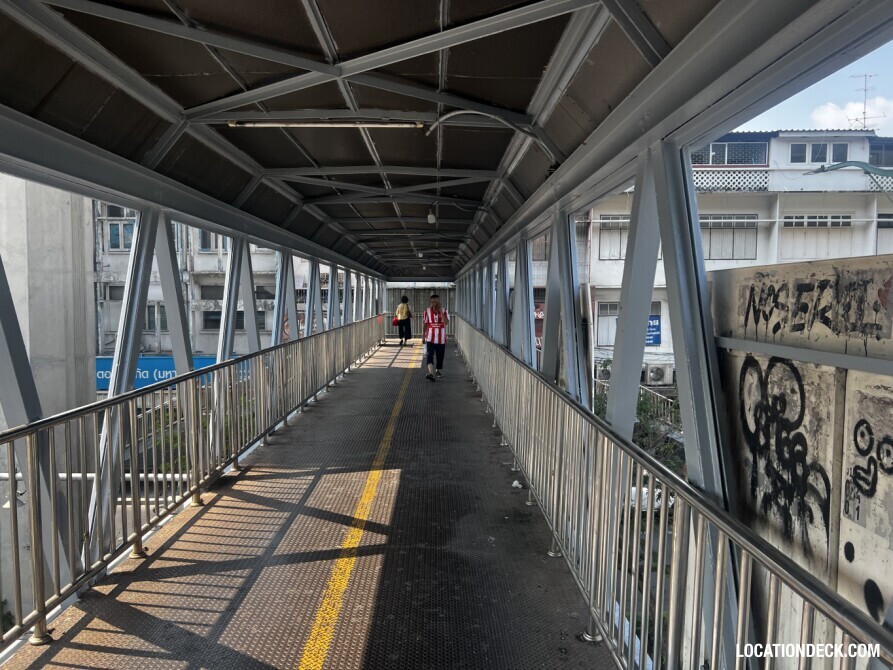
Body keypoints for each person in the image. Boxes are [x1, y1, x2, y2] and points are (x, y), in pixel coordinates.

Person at [422, 294, 449, 382]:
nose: (434, 304)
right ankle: (431, 373)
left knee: (440, 357)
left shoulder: (444, 311)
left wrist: (441, 312)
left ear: (439, 302)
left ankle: (437, 370)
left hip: (441, 340)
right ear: (430, 302)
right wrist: (423, 336)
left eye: (436, 302)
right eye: (432, 302)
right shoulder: (427, 311)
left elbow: (446, 322)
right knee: (429, 356)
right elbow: (425, 324)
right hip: (430, 339)